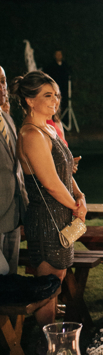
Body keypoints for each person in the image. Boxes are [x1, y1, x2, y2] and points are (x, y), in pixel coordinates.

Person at [12, 71, 87, 329]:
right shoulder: (31, 134)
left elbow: (64, 172)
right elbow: (52, 184)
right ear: (30, 100)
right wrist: (76, 207)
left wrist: (80, 195)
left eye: (56, 95)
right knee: (48, 287)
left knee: (58, 278)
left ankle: (52, 343)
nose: (55, 100)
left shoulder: (49, 129)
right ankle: (46, 349)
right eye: (47, 95)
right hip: (46, 219)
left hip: (62, 214)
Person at [0, 65, 28, 273]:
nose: (2, 88)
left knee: (10, 276)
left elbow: (15, 167)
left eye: (3, 81)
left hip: (13, 212)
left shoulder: (7, 118)